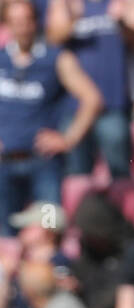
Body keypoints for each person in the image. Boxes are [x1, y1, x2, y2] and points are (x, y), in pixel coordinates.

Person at [0, 0, 103, 235]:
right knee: (4, 239)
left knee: (49, 230)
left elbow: (92, 99)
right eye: (16, 22)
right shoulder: (2, 59)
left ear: (36, 21)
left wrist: (68, 138)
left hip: (43, 165)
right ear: (7, 25)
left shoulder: (55, 58)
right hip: (4, 165)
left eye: (26, 20)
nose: (22, 27)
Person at [45, 0, 134, 179]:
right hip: (74, 107)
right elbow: (53, 39)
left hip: (113, 103)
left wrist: (121, 21)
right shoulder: (67, 3)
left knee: (120, 174)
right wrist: (74, 17)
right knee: (76, 176)